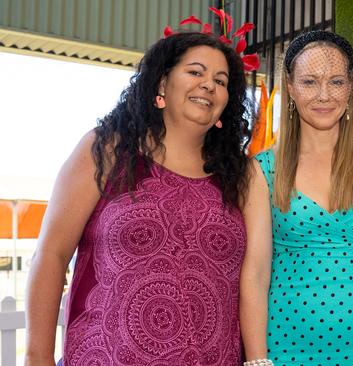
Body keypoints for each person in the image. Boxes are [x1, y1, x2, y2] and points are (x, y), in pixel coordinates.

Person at [24, 31, 251, 365]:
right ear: (161, 86)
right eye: (195, 72)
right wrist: (36, 358)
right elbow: (51, 254)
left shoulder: (239, 177)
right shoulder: (108, 150)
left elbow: (254, 281)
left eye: (221, 80)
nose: (209, 85)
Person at [239, 30, 353, 366]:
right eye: (309, 82)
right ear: (290, 87)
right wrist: (257, 359)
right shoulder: (263, 169)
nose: (323, 95)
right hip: (285, 342)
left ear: (350, 88)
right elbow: (256, 274)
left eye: (335, 82)